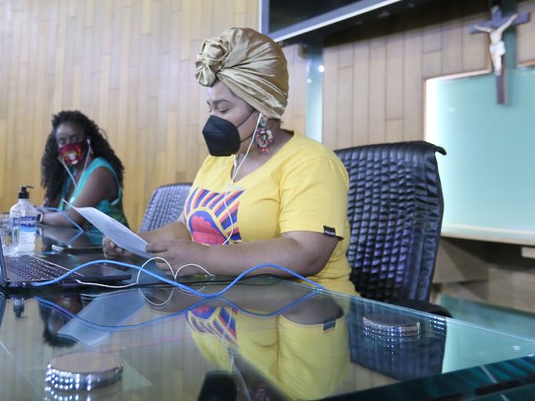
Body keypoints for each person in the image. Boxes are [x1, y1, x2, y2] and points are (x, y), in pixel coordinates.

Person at [104, 27, 356, 295]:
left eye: (223, 109)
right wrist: (138, 243)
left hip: (308, 308)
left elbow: (307, 253)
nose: (213, 120)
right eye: (210, 108)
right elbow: (186, 228)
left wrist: (205, 258)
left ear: (264, 108)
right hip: (228, 305)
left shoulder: (311, 162)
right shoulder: (219, 161)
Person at [38, 110, 129, 243]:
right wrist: (37, 212)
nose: (69, 144)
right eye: (62, 141)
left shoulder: (100, 172)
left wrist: (39, 217)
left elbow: (72, 219)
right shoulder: (70, 173)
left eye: (74, 138)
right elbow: (48, 207)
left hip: (110, 249)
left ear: (88, 140)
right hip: (80, 247)